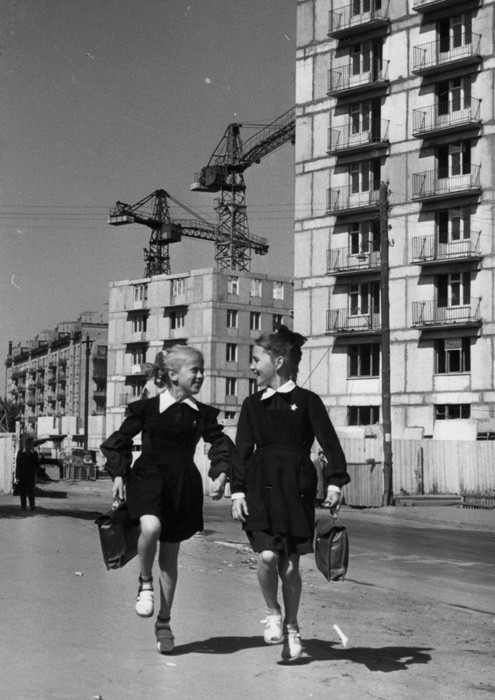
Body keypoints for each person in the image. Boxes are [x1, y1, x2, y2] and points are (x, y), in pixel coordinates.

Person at [100, 346, 233, 654]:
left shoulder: (202, 414)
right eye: (194, 371)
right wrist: (118, 474)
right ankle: (145, 581)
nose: (201, 376)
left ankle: (164, 623)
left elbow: (220, 443)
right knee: (150, 527)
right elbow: (120, 440)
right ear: (173, 375)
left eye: (202, 371)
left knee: (170, 559)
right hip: (148, 477)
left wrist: (221, 472)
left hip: (182, 485)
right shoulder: (146, 409)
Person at [230, 326, 350, 662]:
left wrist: (334, 483)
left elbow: (330, 444)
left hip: (296, 490)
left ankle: (293, 628)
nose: (252, 366)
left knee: (291, 567)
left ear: (279, 361)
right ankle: (273, 612)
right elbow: (242, 449)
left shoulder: (308, 401)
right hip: (260, 489)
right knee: (267, 557)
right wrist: (237, 492)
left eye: (257, 359)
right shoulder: (251, 405)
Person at [15, 436, 40, 511]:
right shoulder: (20, 453)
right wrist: (17, 476)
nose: (31, 446)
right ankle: (23, 506)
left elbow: (37, 465)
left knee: (31, 491)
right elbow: (18, 465)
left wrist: (36, 470)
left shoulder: (34, 454)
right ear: (26, 444)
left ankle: (32, 505)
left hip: (31, 475)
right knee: (23, 491)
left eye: (32, 444)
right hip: (22, 475)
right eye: (30, 444)